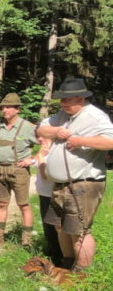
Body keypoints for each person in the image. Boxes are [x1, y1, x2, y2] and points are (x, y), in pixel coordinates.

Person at [37, 77, 113, 271]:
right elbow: (41, 129)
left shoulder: (95, 117)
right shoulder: (63, 115)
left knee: (79, 231)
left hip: (83, 184)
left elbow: (110, 141)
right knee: (60, 226)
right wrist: (56, 131)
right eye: (61, 99)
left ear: (80, 99)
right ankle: (66, 265)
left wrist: (81, 141)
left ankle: (81, 274)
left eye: (66, 100)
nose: (62, 103)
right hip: (61, 184)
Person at [0, 93, 38, 248]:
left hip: (19, 171)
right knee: (1, 203)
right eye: (3, 107)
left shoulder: (27, 127)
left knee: (23, 205)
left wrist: (32, 160)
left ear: (17, 109)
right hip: (0, 170)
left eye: (8, 107)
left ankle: (27, 240)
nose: (4, 110)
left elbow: (45, 142)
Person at [34, 132, 61, 265]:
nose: (39, 139)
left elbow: (45, 175)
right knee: (48, 227)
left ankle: (57, 258)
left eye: (43, 137)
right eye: (37, 136)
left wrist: (41, 159)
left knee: (54, 227)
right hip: (44, 194)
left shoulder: (54, 153)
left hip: (52, 194)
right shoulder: (44, 151)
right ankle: (51, 253)